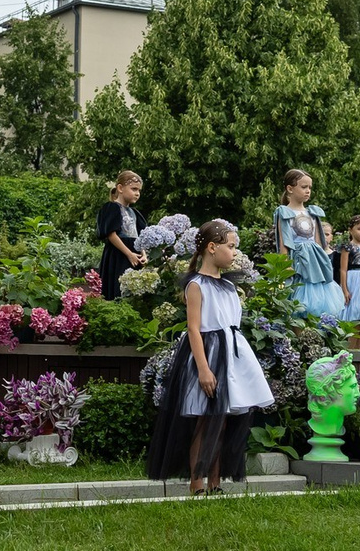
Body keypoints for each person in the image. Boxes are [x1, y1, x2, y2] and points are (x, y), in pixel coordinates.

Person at [144, 220, 272, 494]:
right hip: (209, 354)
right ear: (212, 248)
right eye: (231, 246)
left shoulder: (228, 286)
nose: (235, 252)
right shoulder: (196, 285)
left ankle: (216, 481)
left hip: (232, 355)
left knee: (223, 419)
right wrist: (203, 368)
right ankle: (197, 481)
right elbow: (193, 328)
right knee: (206, 420)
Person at [276, 170, 345, 323]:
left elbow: (319, 242)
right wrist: (285, 266)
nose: (308, 191)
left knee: (318, 303)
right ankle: (299, 342)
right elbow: (283, 243)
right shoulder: (285, 212)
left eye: (310, 187)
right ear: (290, 188)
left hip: (315, 262)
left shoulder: (312, 212)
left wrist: (324, 262)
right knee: (298, 303)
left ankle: (314, 342)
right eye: (303, 187)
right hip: (298, 261)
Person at [96, 171, 146, 299]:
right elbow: (111, 234)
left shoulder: (135, 213)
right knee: (118, 289)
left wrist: (144, 254)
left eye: (139, 190)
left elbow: (142, 236)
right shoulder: (111, 208)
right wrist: (129, 254)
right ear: (120, 188)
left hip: (136, 257)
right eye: (134, 189)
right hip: (118, 256)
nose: (137, 193)